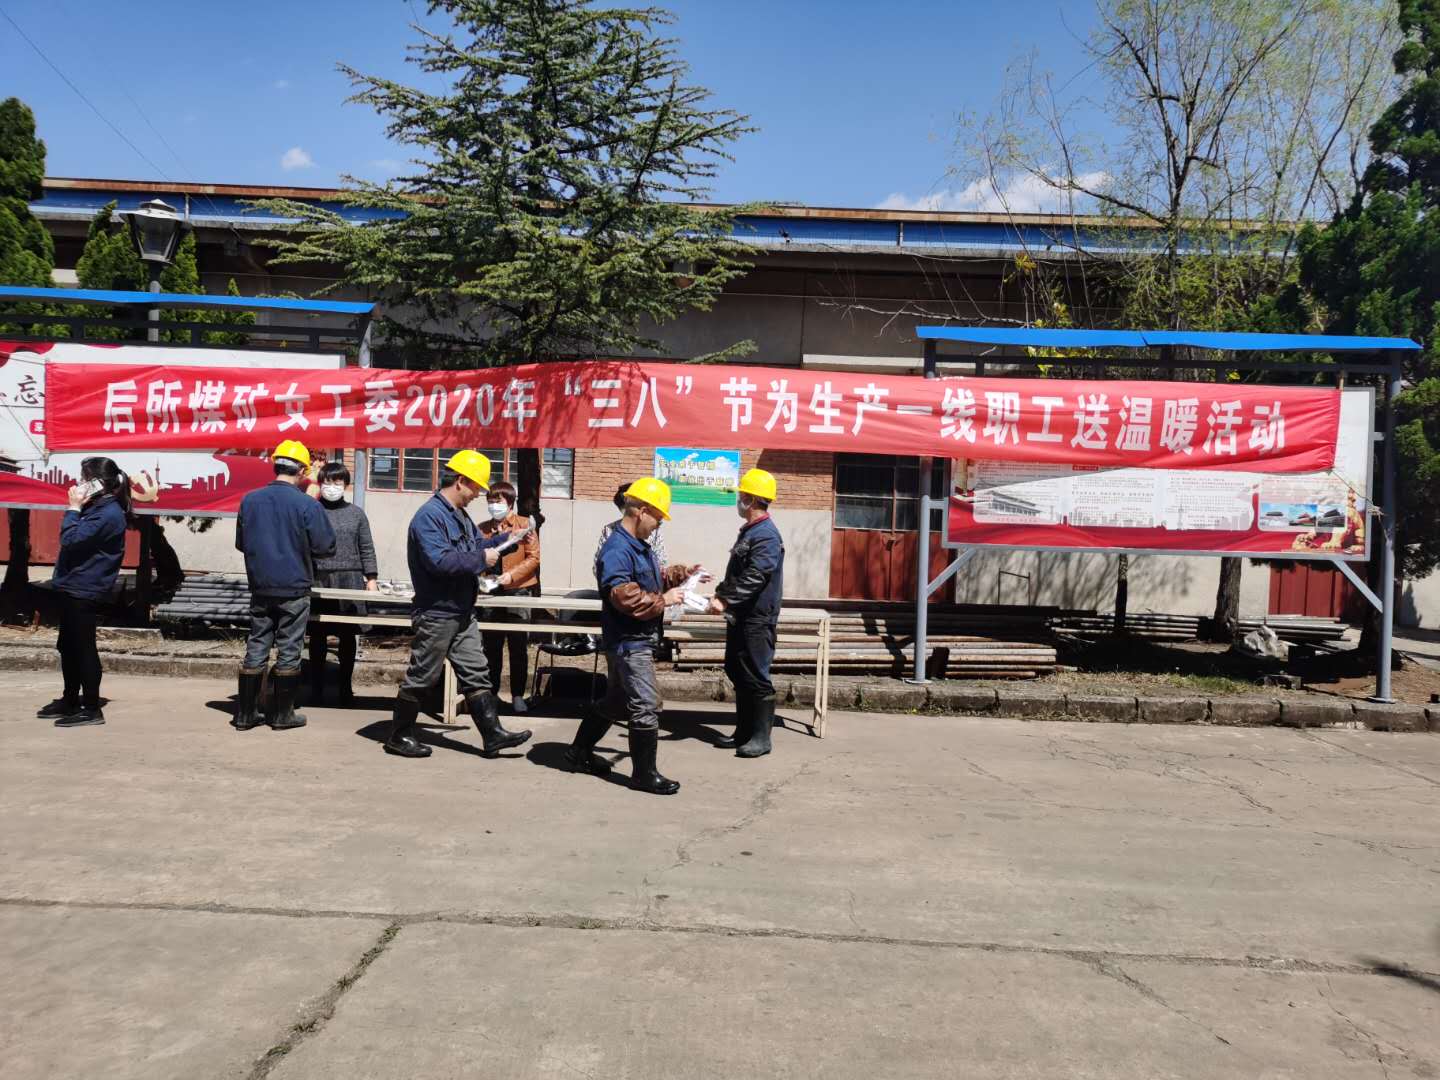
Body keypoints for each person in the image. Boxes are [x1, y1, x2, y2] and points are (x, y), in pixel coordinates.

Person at [381, 450, 531, 760]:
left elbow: (477, 547)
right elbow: (440, 561)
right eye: (476, 487)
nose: (478, 495)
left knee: (476, 672)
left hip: (461, 610)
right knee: (423, 675)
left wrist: (507, 541)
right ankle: (399, 735)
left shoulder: (459, 515)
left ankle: (493, 734)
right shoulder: (429, 517)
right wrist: (481, 559)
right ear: (460, 481)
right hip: (437, 611)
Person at [565, 478, 702, 795]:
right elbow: (624, 596)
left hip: (633, 639)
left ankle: (578, 752)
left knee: (617, 702)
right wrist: (663, 600)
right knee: (646, 705)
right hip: (630, 642)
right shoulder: (617, 548)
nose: (658, 525)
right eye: (658, 518)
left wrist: (680, 575)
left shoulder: (639, 546)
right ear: (642, 511)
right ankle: (644, 774)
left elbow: (652, 579)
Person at [233, 440, 337, 732]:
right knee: (289, 649)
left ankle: (246, 714)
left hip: (261, 586)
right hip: (294, 587)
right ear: (303, 470)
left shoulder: (250, 500)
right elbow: (326, 546)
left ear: (275, 465)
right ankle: (282, 715)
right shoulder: (307, 504)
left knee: (257, 645)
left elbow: (242, 543)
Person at [38, 457, 135, 727]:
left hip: (86, 588)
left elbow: (70, 539)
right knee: (67, 646)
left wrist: (73, 508)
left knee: (83, 648)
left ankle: (92, 708)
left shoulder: (108, 514)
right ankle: (70, 699)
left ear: (98, 483)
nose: (79, 483)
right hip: (71, 585)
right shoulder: (97, 507)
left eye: (84, 478)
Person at [709, 469, 785, 758]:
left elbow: (756, 576)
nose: (738, 499)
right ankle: (743, 732)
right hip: (742, 616)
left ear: (751, 499)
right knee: (738, 671)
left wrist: (725, 600)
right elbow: (740, 573)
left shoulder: (765, 534)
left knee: (755, 675)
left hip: (757, 618)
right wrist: (721, 591)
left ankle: (761, 738)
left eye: (741, 495)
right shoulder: (751, 531)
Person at [308, 460, 379, 705]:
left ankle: (345, 688)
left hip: (350, 579)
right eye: (327, 482)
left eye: (337, 482)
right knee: (317, 634)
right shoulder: (311, 510)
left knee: (347, 636)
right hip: (318, 578)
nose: (332, 486)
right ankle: (316, 688)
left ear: (346, 485)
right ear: (320, 483)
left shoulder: (357, 514)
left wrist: (371, 579)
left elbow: (366, 547)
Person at [478, 480, 540, 713]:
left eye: (498, 501)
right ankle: (491, 693)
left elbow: (533, 557)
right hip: (490, 591)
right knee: (491, 645)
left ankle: (517, 695)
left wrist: (512, 576)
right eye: (490, 501)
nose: (494, 505)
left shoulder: (524, 525)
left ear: (510, 502)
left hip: (518, 589)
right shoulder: (482, 528)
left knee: (518, 645)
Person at [595, 481, 668, 572]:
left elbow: (662, 563)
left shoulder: (653, 532)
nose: (657, 526)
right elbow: (600, 567)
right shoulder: (610, 531)